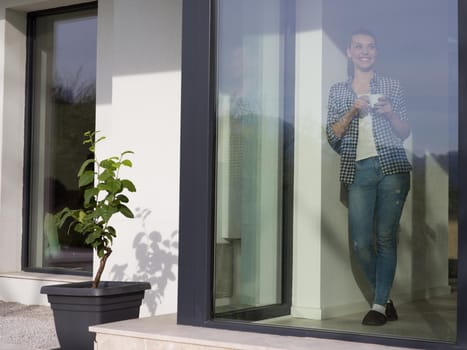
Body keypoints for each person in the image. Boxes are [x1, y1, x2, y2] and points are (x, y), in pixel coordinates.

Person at [326, 29, 412, 326]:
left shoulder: (391, 86)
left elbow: (404, 132)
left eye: (371, 47)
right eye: (359, 47)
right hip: (358, 170)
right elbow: (332, 136)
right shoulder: (338, 91)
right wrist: (352, 110)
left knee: (385, 238)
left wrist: (389, 113)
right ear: (349, 52)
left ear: (377, 52)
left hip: (392, 168)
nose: (365, 51)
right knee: (361, 243)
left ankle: (377, 306)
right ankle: (385, 298)